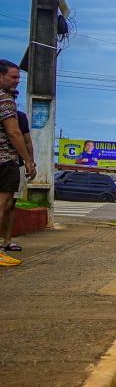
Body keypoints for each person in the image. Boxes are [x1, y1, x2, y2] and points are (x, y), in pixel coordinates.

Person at [0, 59, 37, 266]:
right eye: (13, 77)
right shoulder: (5, 101)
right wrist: (28, 161)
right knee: (3, 204)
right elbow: (14, 133)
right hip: (5, 160)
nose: (17, 82)